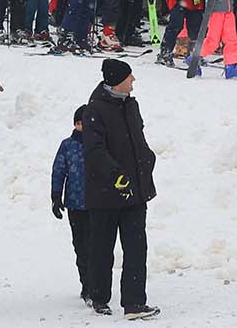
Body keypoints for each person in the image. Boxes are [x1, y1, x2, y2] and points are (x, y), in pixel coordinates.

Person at [81, 60, 158, 320]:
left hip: (135, 191)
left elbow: (138, 140)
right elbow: (94, 151)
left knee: (137, 248)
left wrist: (147, 160)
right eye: (129, 77)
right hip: (105, 193)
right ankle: (98, 296)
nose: (133, 80)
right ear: (116, 82)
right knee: (102, 248)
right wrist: (116, 177)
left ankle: (134, 303)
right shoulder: (95, 110)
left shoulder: (131, 105)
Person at [50, 106, 91, 304]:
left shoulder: (99, 143)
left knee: (97, 247)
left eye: (84, 123)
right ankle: (86, 284)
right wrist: (56, 196)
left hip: (97, 204)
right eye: (78, 123)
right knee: (80, 246)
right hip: (75, 205)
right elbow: (59, 171)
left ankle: (97, 285)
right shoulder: (67, 145)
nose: (81, 126)